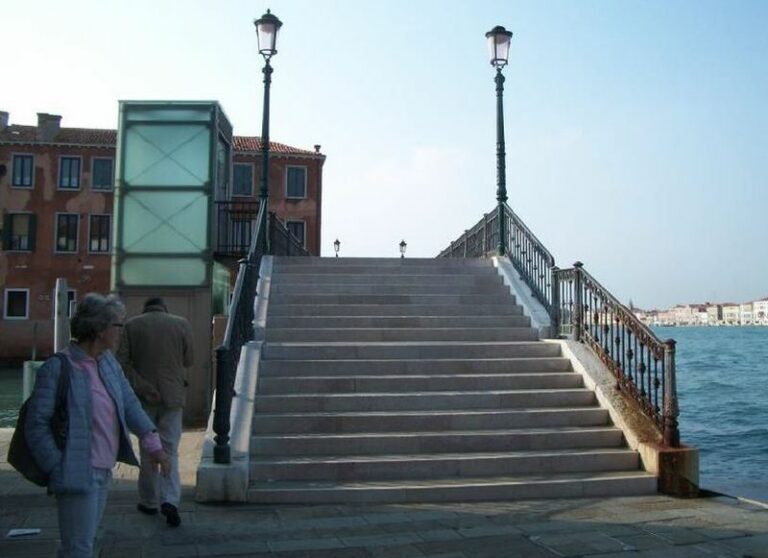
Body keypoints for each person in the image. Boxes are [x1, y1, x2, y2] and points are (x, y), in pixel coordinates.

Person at [25, 293, 170, 558]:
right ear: (100, 329)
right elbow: (36, 425)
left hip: (103, 469)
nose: (121, 331)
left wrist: (155, 446)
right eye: (118, 325)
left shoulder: (108, 363)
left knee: (82, 542)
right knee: (79, 549)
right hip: (76, 470)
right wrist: (57, 466)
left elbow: (130, 405)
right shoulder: (58, 368)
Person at [117, 297, 193, 528]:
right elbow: (189, 359)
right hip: (173, 396)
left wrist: (143, 386)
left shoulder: (131, 326)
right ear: (164, 309)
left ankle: (149, 501)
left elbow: (122, 363)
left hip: (143, 398)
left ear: (145, 308)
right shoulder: (181, 324)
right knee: (170, 449)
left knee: (148, 449)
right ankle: (170, 499)